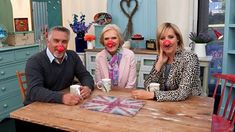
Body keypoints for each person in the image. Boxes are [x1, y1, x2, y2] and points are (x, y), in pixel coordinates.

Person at [24, 26, 94, 106]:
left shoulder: (72, 56)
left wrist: (87, 87)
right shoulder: (35, 61)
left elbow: (85, 75)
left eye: (64, 42)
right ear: (48, 42)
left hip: (61, 105)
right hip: (36, 107)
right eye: (56, 41)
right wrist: (62, 98)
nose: (60, 45)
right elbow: (34, 91)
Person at [131, 22, 202, 101]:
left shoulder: (190, 57)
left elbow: (182, 93)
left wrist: (153, 95)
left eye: (171, 37)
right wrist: (159, 64)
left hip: (191, 105)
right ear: (159, 42)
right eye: (162, 38)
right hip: (168, 104)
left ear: (177, 39)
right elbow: (148, 85)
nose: (166, 42)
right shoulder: (160, 58)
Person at [95, 24, 137, 88]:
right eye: (106, 39)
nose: (110, 42)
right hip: (106, 94)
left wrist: (119, 97)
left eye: (114, 38)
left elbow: (131, 85)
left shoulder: (130, 55)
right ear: (103, 41)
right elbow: (99, 83)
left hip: (125, 95)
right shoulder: (99, 57)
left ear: (119, 39)